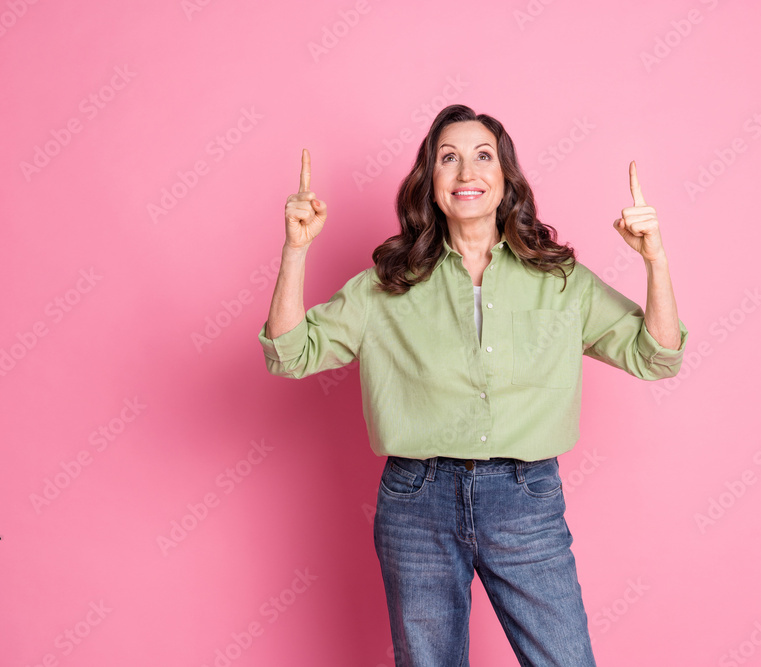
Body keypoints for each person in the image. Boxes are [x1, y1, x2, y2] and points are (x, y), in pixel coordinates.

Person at [258, 104, 687, 666]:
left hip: (525, 497)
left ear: (505, 178)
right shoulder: (385, 285)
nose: (467, 173)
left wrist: (655, 260)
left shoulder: (561, 281)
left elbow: (656, 356)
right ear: (428, 181)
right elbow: (290, 355)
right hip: (416, 501)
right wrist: (296, 249)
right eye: (448, 158)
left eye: (483, 157)